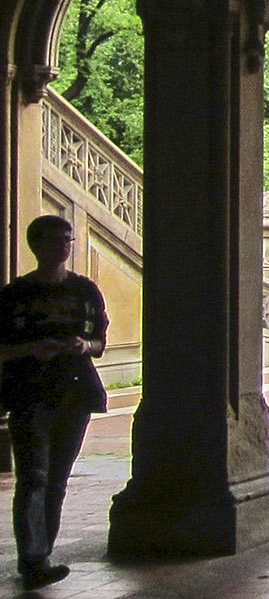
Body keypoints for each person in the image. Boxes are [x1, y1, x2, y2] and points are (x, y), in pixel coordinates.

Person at [0, 216, 107, 590]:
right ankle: (31, 558)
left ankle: (41, 552)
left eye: (68, 239)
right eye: (54, 240)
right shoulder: (14, 296)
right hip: (29, 392)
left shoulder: (85, 291)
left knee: (57, 480)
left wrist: (83, 345)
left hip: (74, 393)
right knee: (33, 477)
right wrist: (31, 349)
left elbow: (99, 342)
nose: (63, 246)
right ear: (36, 245)